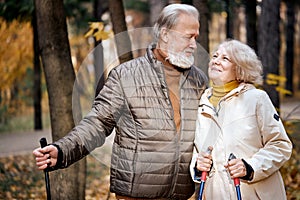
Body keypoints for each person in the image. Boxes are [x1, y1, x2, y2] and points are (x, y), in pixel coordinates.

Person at [33, 4, 208, 200]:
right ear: (165, 35)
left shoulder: (198, 80)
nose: (194, 44)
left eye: (196, 38)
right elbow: (97, 123)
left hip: (181, 193)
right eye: (188, 37)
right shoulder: (126, 75)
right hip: (136, 194)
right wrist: (62, 150)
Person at [190, 39, 292, 199]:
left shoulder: (257, 99)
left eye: (225, 58)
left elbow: (280, 145)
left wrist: (251, 167)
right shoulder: (200, 102)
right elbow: (195, 151)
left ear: (239, 69)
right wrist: (197, 165)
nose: (215, 61)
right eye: (215, 56)